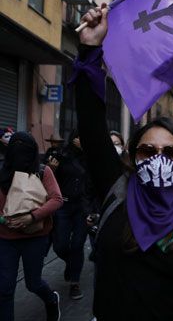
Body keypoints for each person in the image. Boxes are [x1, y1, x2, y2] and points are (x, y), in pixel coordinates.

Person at [72, 5, 173, 321]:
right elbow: (92, 127)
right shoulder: (117, 190)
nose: (158, 159)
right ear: (134, 157)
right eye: (148, 151)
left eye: (170, 152)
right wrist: (90, 48)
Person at [0, 132, 63, 321]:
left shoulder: (43, 171)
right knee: (4, 288)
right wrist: (3, 220)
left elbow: (57, 199)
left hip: (35, 237)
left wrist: (32, 217)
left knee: (33, 283)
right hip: (5, 239)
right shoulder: (1, 172)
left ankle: (52, 300)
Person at [48, 129, 94, 300]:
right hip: (63, 206)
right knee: (59, 245)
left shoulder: (90, 158)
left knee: (77, 245)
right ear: (73, 139)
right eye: (79, 138)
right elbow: (48, 178)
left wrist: (91, 210)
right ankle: (71, 262)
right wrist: (51, 169)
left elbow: (92, 185)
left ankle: (74, 283)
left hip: (82, 207)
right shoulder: (62, 155)